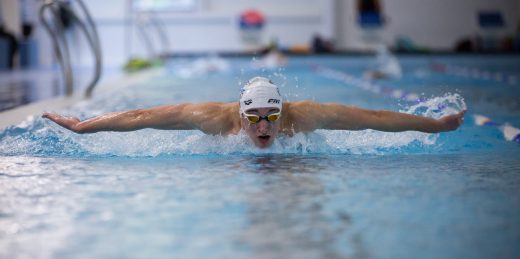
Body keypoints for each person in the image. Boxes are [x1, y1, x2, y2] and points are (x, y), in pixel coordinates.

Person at [43, 77, 465, 149]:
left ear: (283, 113)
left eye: (271, 116)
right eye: (256, 117)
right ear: (240, 116)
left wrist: (435, 126)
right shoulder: (212, 118)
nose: (264, 126)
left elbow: (375, 119)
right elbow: (141, 117)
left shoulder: (305, 117)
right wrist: (83, 127)